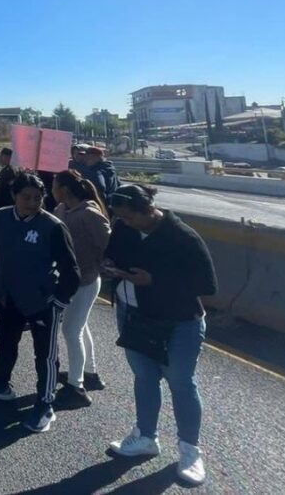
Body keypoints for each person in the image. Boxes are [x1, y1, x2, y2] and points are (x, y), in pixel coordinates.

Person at [104, 184, 216, 486]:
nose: (123, 222)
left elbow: (205, 285)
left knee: (180, 382)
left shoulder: (182, 236)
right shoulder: (124, 227)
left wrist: (154, 280)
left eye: (128, 217)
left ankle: (190, 450)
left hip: (177, 322)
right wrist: (110, 266)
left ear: (147, 211)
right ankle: (145, 437)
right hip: (133, 315)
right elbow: (112, 253)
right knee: (144, 376)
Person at [0, 172, 80, 434]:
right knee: (5, 342)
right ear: (14, 196)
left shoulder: (52, 226)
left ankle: (45, 403)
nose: (33, 202)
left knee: (46, 355)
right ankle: (0, 383)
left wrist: (58, 301)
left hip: (41, 302)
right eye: (26, 197)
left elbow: (71, 271)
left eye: (38, 197)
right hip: (8, 297)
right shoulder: (1, 217)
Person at [51, 170, 111, 407]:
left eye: (54, 186)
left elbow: (107, 244)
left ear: (64, 189)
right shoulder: (61, 211)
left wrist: (100, 266)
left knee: (70, 331)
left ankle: (77, 386)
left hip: (86, 281)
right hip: (69, 279)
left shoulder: (89, 214)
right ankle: (90, 373)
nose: (51, 190)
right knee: (80, 326)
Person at [0, 148, 17, 212]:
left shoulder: (9, 171)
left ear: (7, 157)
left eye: (1, 156)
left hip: (5, 205)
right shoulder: (9, 169)